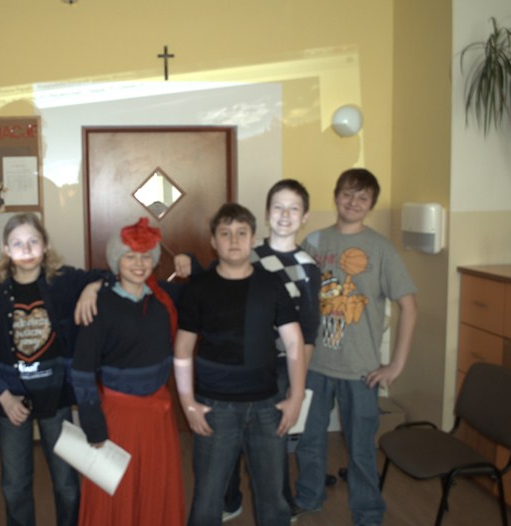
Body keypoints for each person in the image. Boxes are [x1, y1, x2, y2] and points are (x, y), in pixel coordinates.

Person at [174, 180, 321, 522]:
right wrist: (187, 402)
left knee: (273, 498)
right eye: (225, 233)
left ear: (254, 239)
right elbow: (182, 349)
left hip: (267, 405)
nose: (234, 240)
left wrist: (296, 396)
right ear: (213, 241)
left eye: (242, 233)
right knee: (208, 496)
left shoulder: (272, 285)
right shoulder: (199, 288)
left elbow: (294, 343)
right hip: (215, 407)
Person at [293, 168, 418, 525]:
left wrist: (396, 365)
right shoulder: (314, 242)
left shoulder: (381, 249)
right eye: (348, 193)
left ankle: (367, 512)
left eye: (362, 197)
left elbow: (409, 307)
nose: (353, 202)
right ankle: (309, 497)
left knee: (362, 448)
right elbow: (295, 296)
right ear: (336, 196)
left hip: (362, 370)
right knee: (309, 439)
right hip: (314, 365)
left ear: (371, 205)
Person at [0, 212, 106, 526]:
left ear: (46, 245)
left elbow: (107, 276)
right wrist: (3, 396)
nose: (26, 250)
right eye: (17, 243)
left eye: (33, 241)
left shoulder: (64, 282)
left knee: (66, 483)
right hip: (12, 400)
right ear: (6, 249)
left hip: (57, 396)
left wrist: (91, 289)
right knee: (14, 485)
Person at [71, 217, 186, 526]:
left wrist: (190, 261)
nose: (139, 264)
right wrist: (93, 425)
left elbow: (205, 286)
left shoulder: (163, 301)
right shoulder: (99, 305)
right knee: (115, 494)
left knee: (153, 488)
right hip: (117, 419)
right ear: (116, 261)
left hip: (157, 417)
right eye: (130, 256)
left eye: (146, 256)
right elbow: (82, 371)